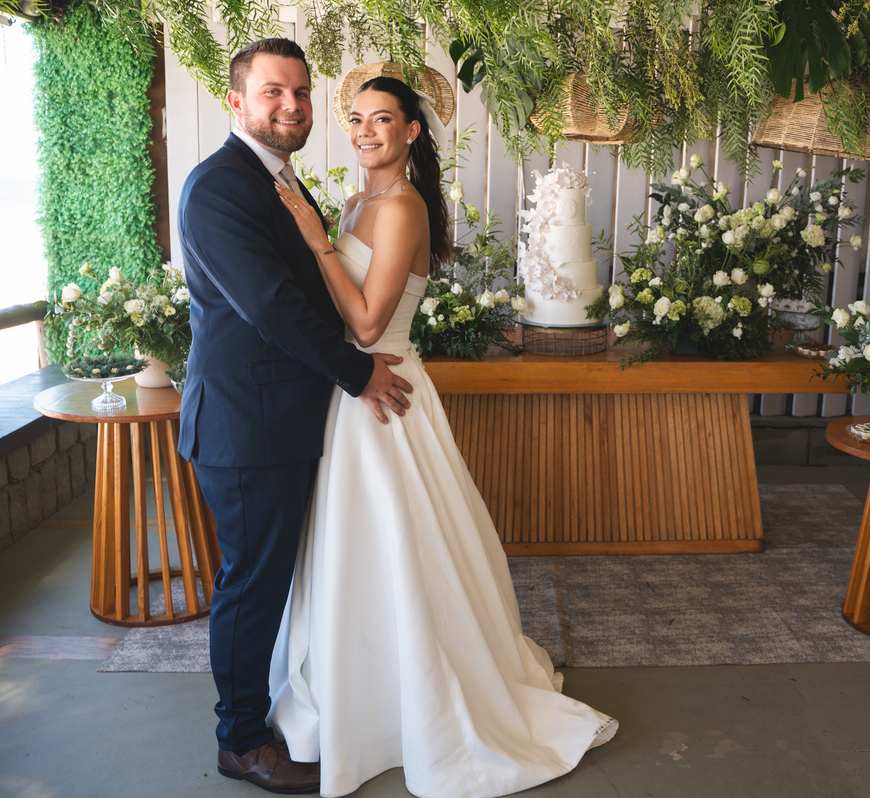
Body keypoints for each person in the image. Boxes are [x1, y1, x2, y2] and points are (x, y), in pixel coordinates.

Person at [266, 75, 618, 798]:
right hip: (351, 392)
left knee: (402, 546)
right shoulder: (358, 200)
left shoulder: (401, 207)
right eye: (357, 119)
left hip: (386, 393)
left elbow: (366, 325)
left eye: (383, 120)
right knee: (355, 551)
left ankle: (420, 700)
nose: (365, 132)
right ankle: (361, 688)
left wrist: (314, 240)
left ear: (412, 133)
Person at [176, 38, 414, 795]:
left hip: (287, 420)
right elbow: (270, 304)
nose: (291, 106)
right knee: (250, 586)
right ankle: (241, 741)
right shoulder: (220, 186)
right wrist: (358, 373)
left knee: (281, 580)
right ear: (236, 101)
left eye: (302, 93)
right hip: (248, 424)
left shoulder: (279, 179)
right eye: (274, 92)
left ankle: (278, 713)